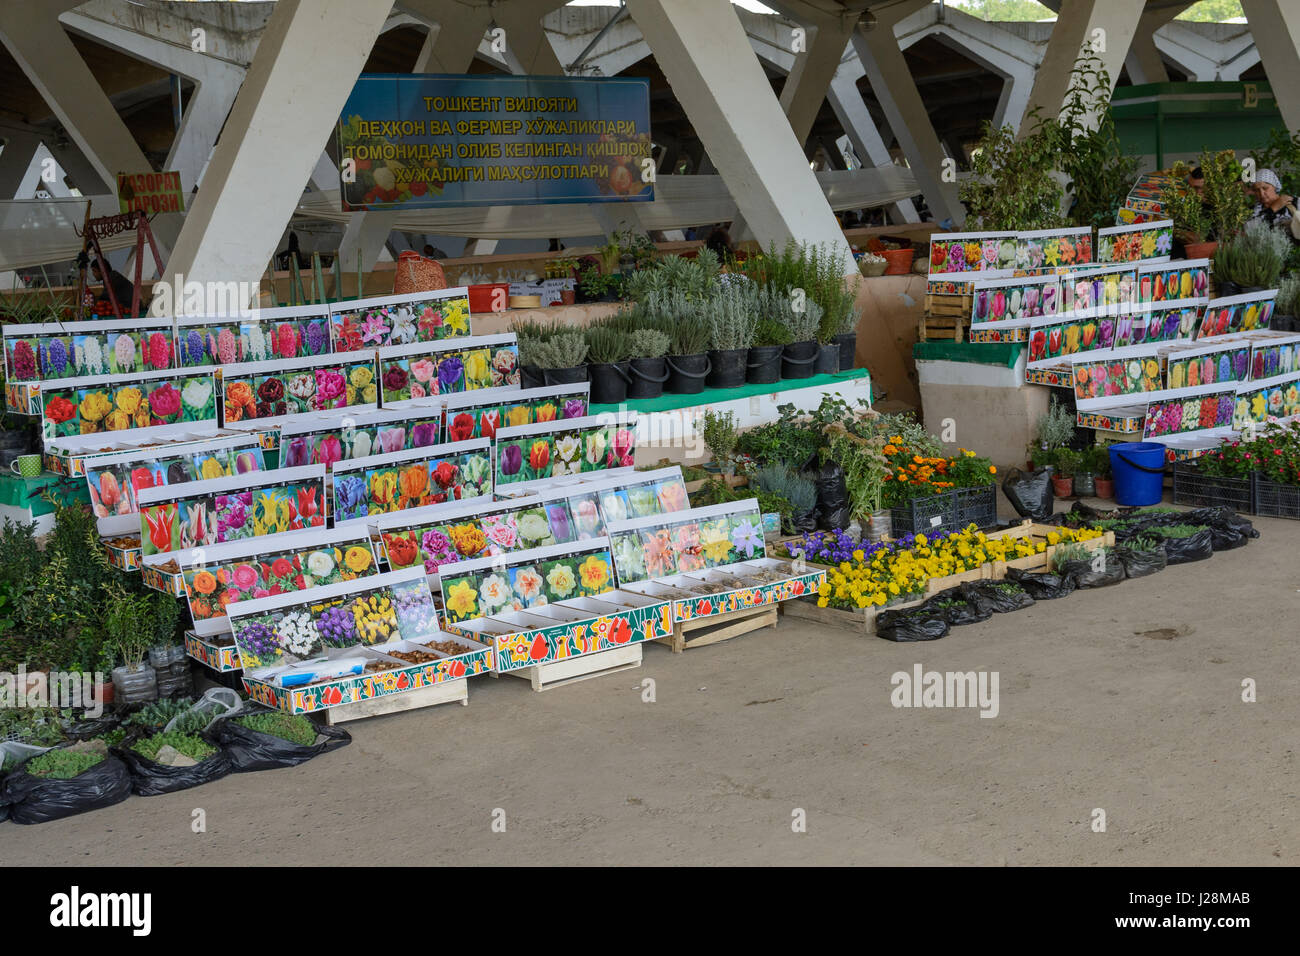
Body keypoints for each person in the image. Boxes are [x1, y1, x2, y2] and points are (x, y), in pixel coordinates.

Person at [1249, 168, 1300, 240]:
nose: (1261, 194)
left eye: (1265, 188)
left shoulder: (1295, 202)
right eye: (1257, 190)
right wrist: (1272, 209)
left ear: (1274, 187)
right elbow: (1249, 230)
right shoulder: (1252, 211)